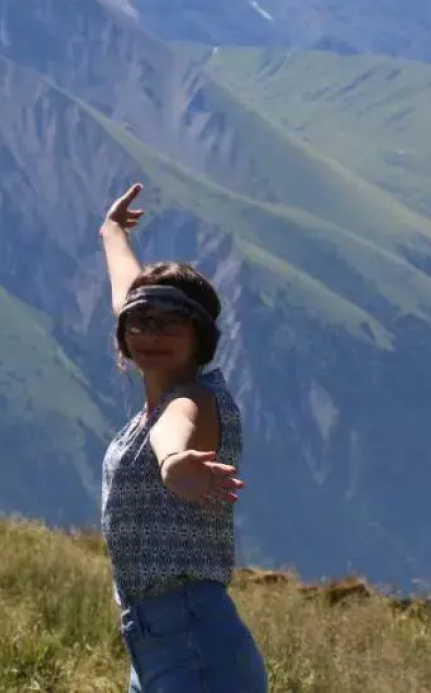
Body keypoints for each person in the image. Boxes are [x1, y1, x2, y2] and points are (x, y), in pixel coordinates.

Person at [97, 182, 270, 692]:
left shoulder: (191, 398)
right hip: (157, 648)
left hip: (195, 649)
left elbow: (175, 432)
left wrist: (174, 463)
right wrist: (111, 231)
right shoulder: (155, 377)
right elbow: (126, 295)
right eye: (141, 322)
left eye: (171, 324)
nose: (151, 334)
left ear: (200, 338)